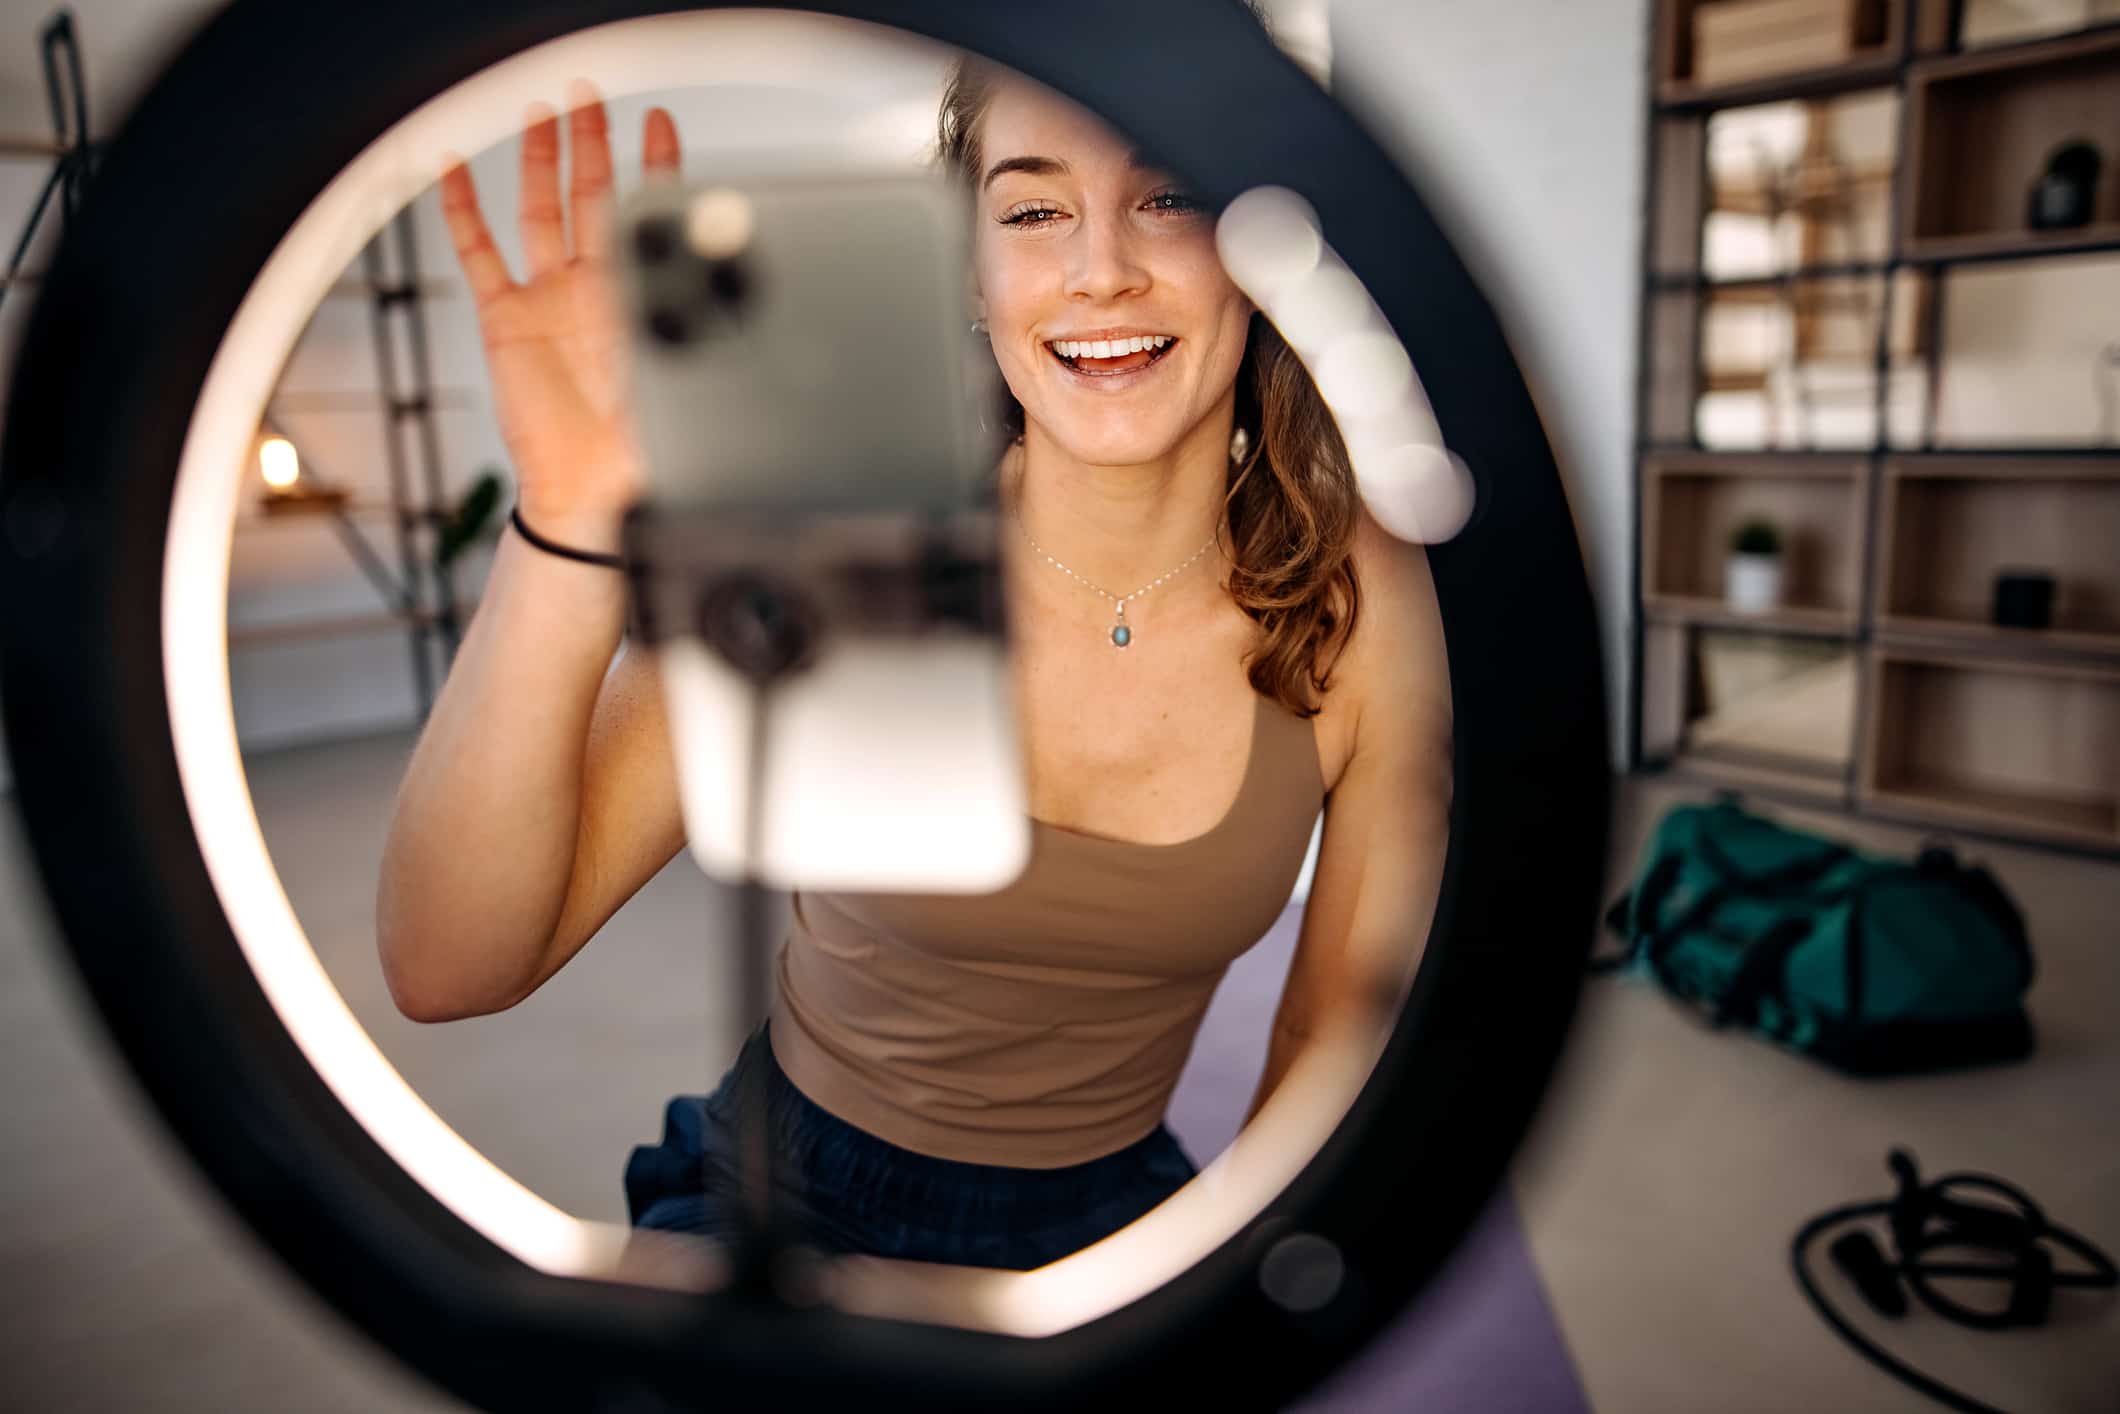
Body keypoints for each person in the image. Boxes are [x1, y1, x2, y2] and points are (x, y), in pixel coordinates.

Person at [378, 45, 1450, 1273]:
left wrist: (1224, 1286)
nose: (1101, 270)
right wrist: (566, 518)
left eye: (1169, 198)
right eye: (1033, 210)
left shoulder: (1362, 597)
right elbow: (448, 964)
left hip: (1118, 1226)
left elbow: (1327, 1032)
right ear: (972, 274)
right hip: (784, 1197)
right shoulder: (828, 540)